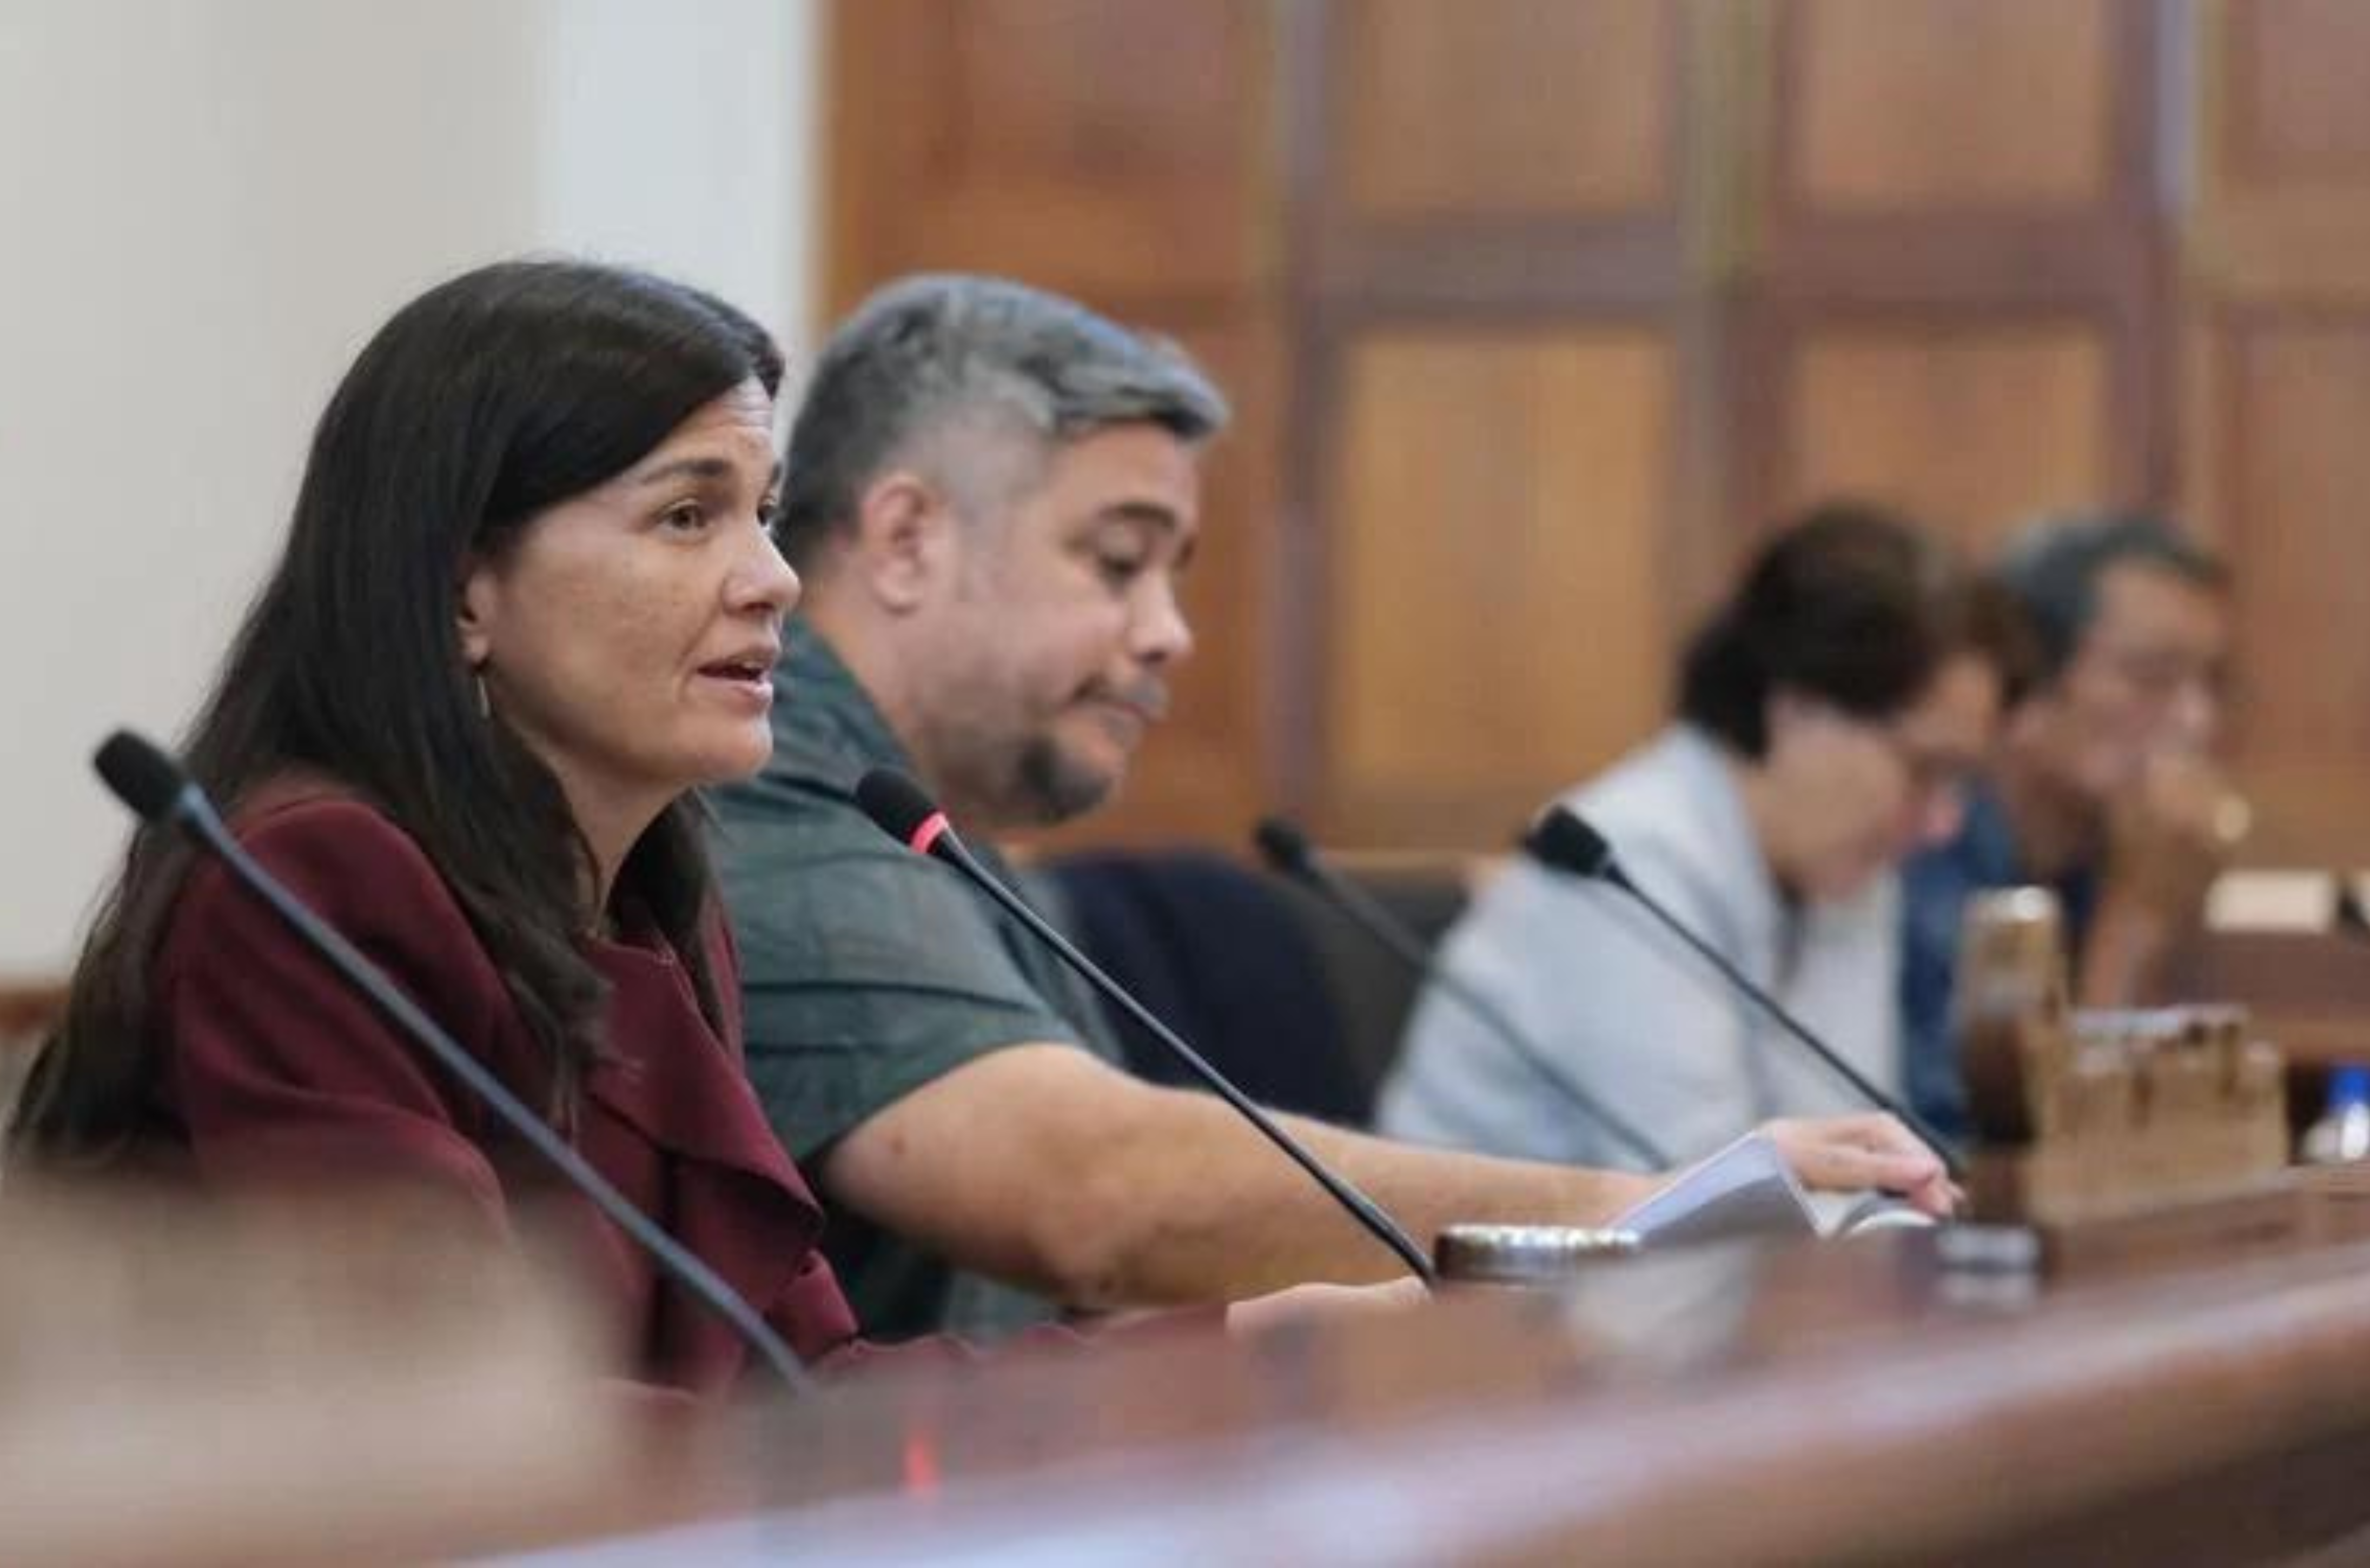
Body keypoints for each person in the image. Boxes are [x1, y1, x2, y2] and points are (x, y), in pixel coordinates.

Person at [711, 275, 1952, 1343]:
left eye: (1172, 574)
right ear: (908, 538)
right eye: (1115, 559)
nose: (1168, 633)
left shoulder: (938, 831)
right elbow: (1095, 1194)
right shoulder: (765, 791)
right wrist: (1632, 1212)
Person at [6, 259, 852, 1396]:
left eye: (766, 513)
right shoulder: (314, 886)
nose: (774, 579)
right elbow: (446, 1406)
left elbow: (802, 1380)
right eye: (688, 514)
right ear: (463, 594)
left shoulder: (655, 911)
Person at [1380, 506, 2018, 1171]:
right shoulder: (1622, 859)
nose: (1944, 820)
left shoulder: (1845, 868)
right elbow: (1702, 1197)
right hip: (1460, 1270)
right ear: (1799, 706)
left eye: (1960, 782)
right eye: (1923, 769)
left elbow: (1857, 1154)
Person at [1899, 514, 2235, 1141]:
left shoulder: (2118, 851)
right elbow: (2011, 1163)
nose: (2197, 720)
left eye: (2212, 684)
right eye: (2153, 677)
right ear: (2025, 683)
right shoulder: (1923, 846)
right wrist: (2136, 917)